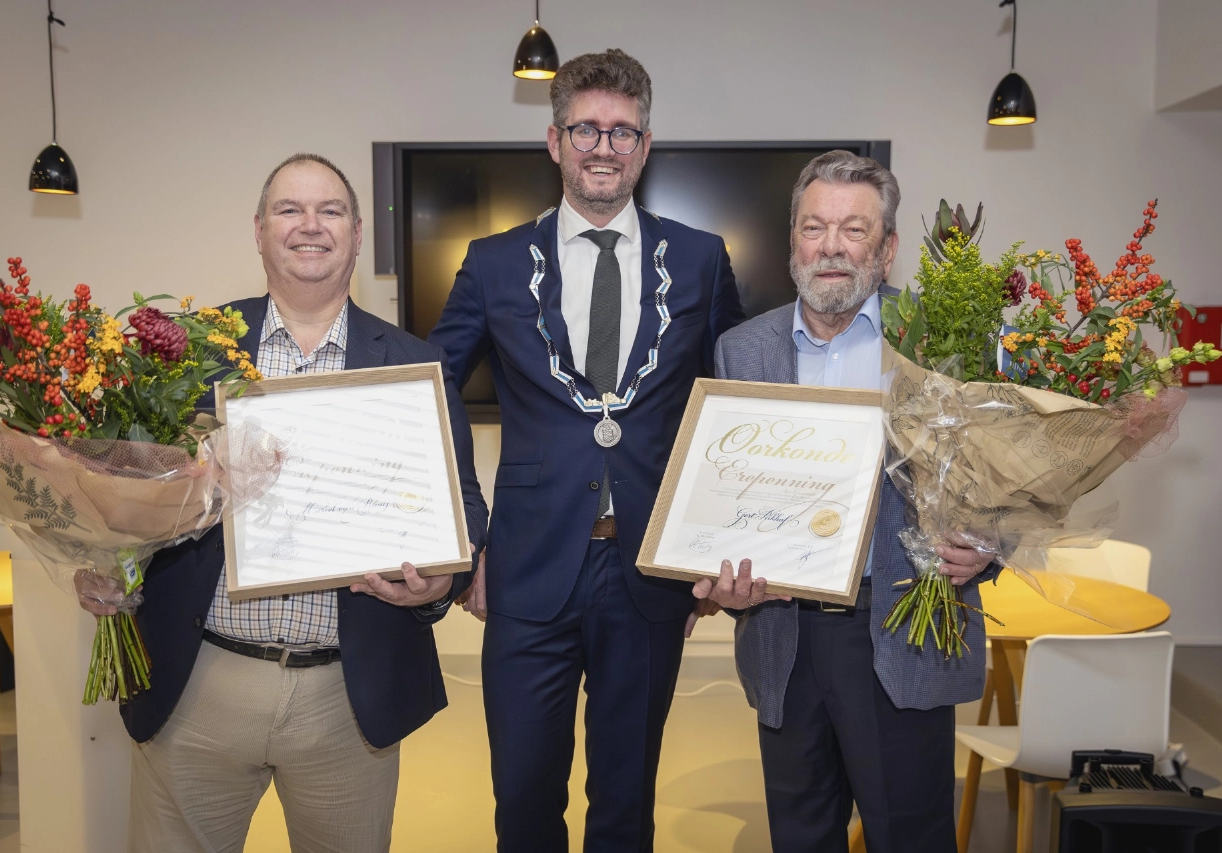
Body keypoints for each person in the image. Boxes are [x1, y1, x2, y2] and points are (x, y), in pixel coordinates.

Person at [74, 153, 487, 853]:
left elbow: (465, 506)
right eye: (290, 210)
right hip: (200, 679)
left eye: (330, 211)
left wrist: (442, 579)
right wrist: (106, 559)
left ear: (358, 233)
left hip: (346, 695)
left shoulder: (415, 367)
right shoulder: (189, 353)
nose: (310, 226)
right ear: (260, 230)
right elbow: (124, 482)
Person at [427, 49, 744, 853]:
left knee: (626, 803)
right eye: (586, 130)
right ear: (554, 140)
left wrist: (713, 540)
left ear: (645, 144)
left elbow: (735, 411)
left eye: (621, 131)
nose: (603, 147)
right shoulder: (493, 261)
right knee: (524, 802)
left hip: (647, 573)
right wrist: (466, 535)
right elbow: (425, 400)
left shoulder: (702, 259)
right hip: (525, 571)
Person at [694, 150, 999, 853]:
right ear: (792, 240)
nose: (831, 246)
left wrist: (987, 546)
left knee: (911, 837)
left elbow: (1002, 482)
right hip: (782, 637)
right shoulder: (742, 350)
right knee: (800, 837)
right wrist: (718, 573)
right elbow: (725, 494)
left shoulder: (945, 340)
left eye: (854, 229)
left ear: (887, 248)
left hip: (898, 629)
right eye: (814, 226)